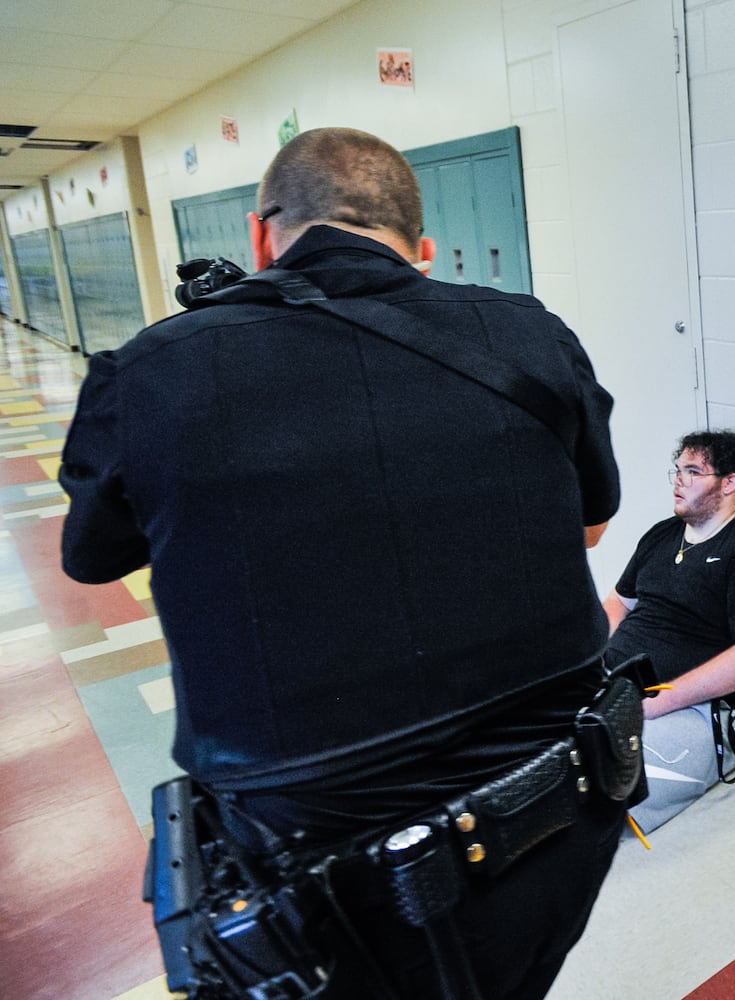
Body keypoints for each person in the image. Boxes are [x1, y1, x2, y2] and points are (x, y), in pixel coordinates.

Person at [59, 127, 631, 999]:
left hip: (311, 865)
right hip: (548, 811)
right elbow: (588, 528)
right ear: (424, 250)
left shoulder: (151, 372)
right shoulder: (531, 335)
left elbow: (93, 558)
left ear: (261, 235)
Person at [603, 429, 735, 834]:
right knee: (538, 743)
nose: (679, 480)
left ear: (730, 483)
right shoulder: (661, 535)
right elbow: (618, 603)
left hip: (711, 708)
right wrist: (586, 661)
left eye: (693, 472)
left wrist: (656, 704)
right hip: (621, 683)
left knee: (611, 785)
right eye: (677, 471)